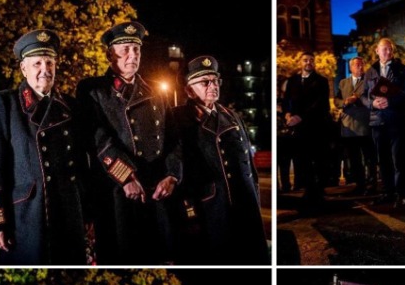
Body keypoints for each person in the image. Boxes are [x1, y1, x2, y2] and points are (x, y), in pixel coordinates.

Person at [0, 29, 89, 265]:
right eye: (37, 63)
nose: (45, 70)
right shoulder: (5, 104)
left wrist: (86, 212)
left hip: (68, 210)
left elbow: (81, 164)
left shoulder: (69, 106)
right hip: (27, 216)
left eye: (49, 62)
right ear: (23, 69)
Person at [77, 21, 178, 264]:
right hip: (117, 191)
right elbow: (96, 138)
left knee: (158, 262)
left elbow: (174, 140)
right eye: (125, 49)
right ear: (109, 54)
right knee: (121, 258)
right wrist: (125, 177)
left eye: (136, 49)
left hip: (156, 190)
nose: (132, 55)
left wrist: (172, 175)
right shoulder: (93, 90)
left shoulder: (156, 91)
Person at [168, 55, 268, 265]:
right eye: (205, 82)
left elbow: (248, 165)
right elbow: (176, 169)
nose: (212, 86)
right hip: (210, 209)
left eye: (215, 81)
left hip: (243, 207)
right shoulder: (178, 119)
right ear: (188, 90)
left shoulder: (231, 115)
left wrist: (254, 199)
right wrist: (189, 212)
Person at [364, 37, 405, 204]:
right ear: (377, 51)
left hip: (396, 119)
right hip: (377, 121)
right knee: (383, 158)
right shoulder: (370, 71)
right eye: (383, 49)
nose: (387, 52)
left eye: (389, 49)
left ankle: (401, 193)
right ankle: (387, 192)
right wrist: (372, 103)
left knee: (398, 158)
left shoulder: (402, 69)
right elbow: (363, 95)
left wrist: (390, 101)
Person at [282, 52, 331, 208]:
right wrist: (287, 114)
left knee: (318, 159)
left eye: (311, 60)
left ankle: (319, 190)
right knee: (302, 161)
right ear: (300, 63)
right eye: (305, 60)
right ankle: (309, 189)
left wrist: (301, 116)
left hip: (316, 126)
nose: (308, 62)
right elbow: (286, 100)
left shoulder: (321, 81)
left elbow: (320, 104)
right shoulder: (292, 81)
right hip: (298, 129)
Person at [334, 56, 376, 194]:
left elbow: (372, 98)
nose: (360, 67)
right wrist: (344, 103)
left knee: (369, 157)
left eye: (362, 64)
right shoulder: (343, 83)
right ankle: (359, 184)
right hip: (349, 125)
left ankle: (372, 183)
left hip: (364, 124)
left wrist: (357, 99)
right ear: (350, 67)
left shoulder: (369, 81)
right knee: (354, 158)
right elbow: (337, 99)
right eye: (356, 65)